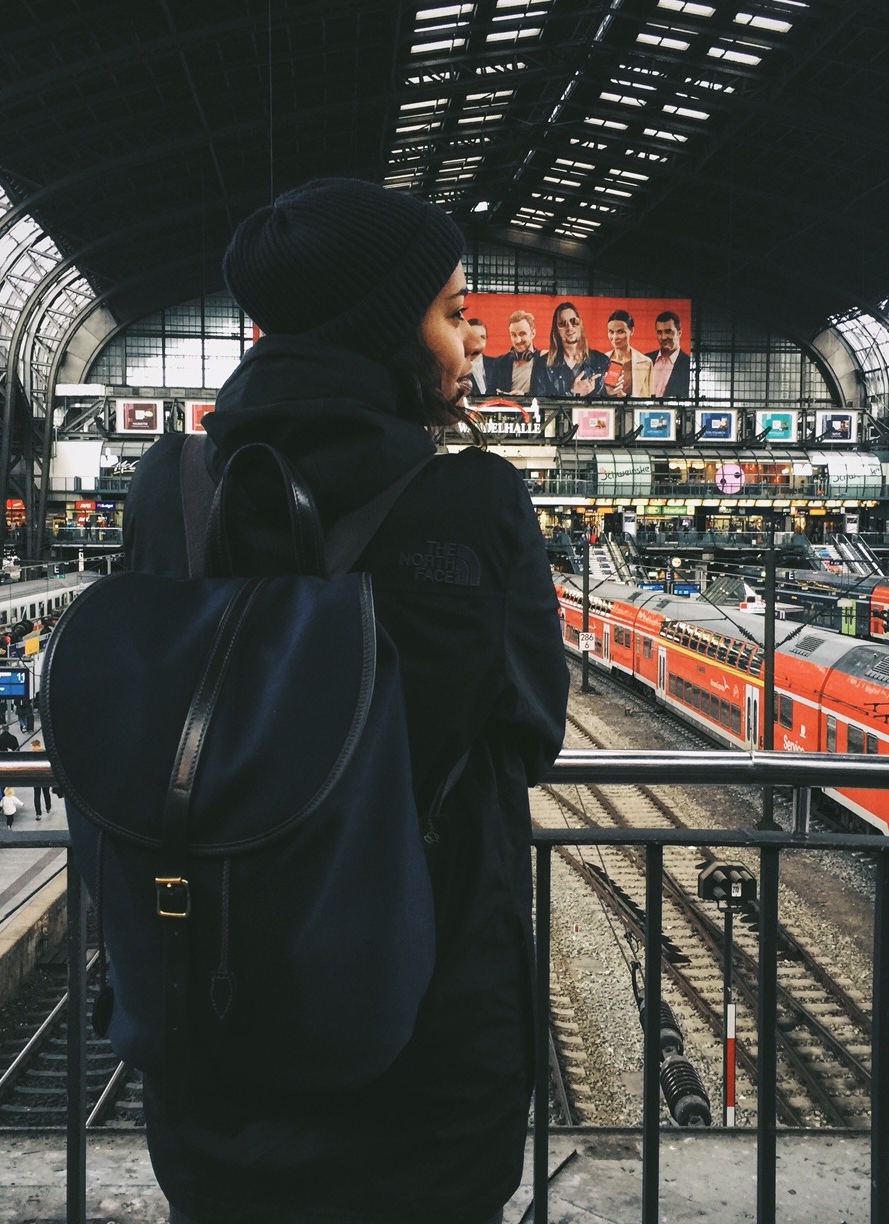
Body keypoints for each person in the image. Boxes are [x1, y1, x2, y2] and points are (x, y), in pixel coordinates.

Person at [116, 177, 568, 1224]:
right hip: (429, 1043)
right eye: (455, 315)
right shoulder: (475, 498)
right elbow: (533, 727)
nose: (472, 349)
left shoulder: (170, 491)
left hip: (210, 1022)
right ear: (385, 326)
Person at [537, 300, 608, 397]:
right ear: (556, 330)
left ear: (581, 325)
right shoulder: (543, 364)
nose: (569, 327)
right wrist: (572, 393)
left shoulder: (602, 361)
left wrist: (613, 394)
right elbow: (538, 405)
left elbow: (610, 408)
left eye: (574, 321)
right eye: (562, 324)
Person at [486, 309, 539, 396]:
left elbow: (548, 395)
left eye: (522, 334)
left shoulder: (543, 361)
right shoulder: (500, 362)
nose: (518, 340)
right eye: (513, 335)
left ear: (533, 333)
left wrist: (524, 396)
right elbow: (488, 395)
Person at [603, 309, 653, 398]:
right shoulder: (601, 360)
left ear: (632, 331)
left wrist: (622, 395)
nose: (615, 337)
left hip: (633, 410)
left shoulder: (645, 363)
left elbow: (648, 398)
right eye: (611, 332)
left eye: (620, 332)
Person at [647, 309, 691, 400]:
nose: (663, 337)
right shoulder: (645, 359)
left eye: (668, 331)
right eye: (659, 332)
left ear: (679, 333)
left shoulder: (687, 363)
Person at [466, 317, 490, 395]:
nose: (479, 342)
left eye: (482, 337)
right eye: (474, 337)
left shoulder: (497, 364)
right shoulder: (458, 368)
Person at [31, 740, 53, 820]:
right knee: (46, 793)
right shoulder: (45, 753)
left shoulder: (32, 755)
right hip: (45, 777)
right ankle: (48, 807)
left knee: (37, 795)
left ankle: (38, 813)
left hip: (35, 778)